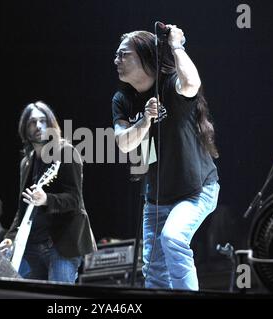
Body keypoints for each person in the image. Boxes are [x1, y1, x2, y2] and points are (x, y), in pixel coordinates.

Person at [111, 24, 220, 291]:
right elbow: (124, 144)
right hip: (157, 197)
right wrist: (145, 120)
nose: (117, 60)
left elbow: (192, 83)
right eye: (116, 55)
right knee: (154, 268)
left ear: (146, 56)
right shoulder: (122, 99)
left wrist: (176, 45)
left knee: (173, 238)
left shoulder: (171, 85)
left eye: (124, 54)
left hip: (197, 190)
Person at [0, 101, 97, 283]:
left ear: (51, 124)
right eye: (32, 122)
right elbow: (23, 208)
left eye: (43, 121)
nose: (38, 126)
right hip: (31, 246)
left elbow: (75, 200)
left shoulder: (67, 152)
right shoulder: (26, 162)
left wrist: (46, 199)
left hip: (61, 245)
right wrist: (10, 237)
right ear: (25, 129)